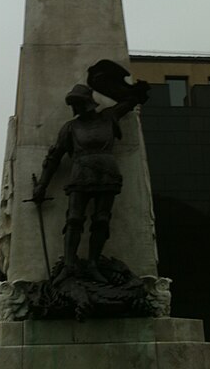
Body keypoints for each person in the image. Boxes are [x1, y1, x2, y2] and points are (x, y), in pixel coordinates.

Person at [33, 83, 140, 283]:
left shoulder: (109, 116)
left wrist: (102, 82)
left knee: (101, 220)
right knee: (74, 219)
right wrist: (42, 184)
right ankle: (69, 265)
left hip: (107, 173)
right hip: (81, 173)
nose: (73, 109)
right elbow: (54, 157)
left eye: (76, 103)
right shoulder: (71, 127)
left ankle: (93, 264)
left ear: (86, 103)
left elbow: (132, 99)